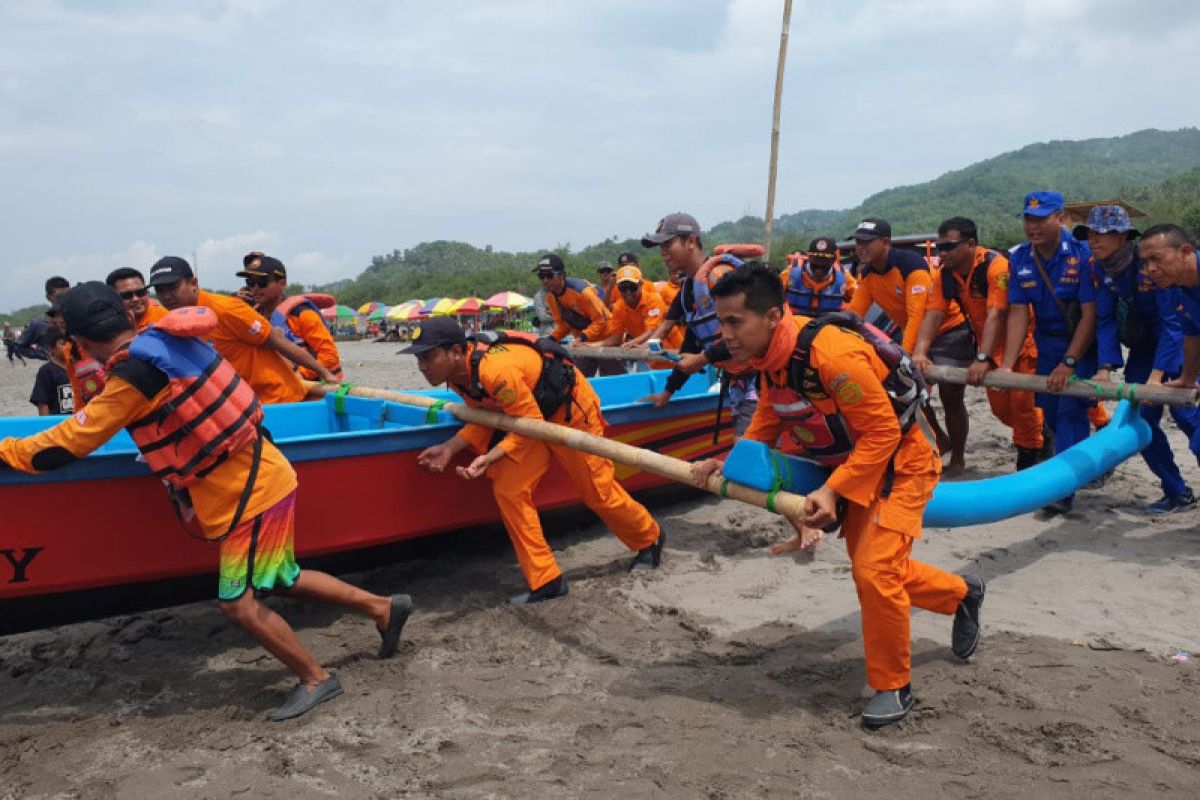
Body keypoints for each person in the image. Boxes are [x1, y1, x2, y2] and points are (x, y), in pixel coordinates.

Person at [0, 283, 412, 721]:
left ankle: (316, 678)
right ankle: (384, 608)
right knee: (281, 575)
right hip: (265, 472)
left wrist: (7, 450)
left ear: (79, 342)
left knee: (238, 603)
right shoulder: (162, 343)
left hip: (249, 493)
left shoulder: (135, 378)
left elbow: (63, 446)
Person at [689, 265, 982, 729]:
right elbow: (769, 419)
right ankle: (962, 593)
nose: (725, 335)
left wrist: (831, 489)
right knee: (879, 568)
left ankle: (893, 687)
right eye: (720, 322)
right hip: (849, 468)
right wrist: (726, 462)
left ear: (771, 316)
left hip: (901, 465)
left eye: (733, 322)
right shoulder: (770, 359)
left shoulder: (832, 354)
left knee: (873, 571)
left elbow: (884, 431)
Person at [407, 318, 664, 604]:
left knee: (598, 491)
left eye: (429, 357)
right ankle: (546, 579)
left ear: (455, 350)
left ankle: (649, 538)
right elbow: (486, 415)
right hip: (531, 417)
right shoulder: (458, 378)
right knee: (509, 490)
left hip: (570, 412)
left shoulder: (495, 370)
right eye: (419, 359)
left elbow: (528, 423)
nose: (422, 366)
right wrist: (449, 448)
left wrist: (490, 456)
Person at [1086, 207, 1197, 514]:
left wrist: (1157, 376)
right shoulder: (1101, 270)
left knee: (1190, 419)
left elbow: (1175, 325)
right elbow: (1105, 319)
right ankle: (1177, 492)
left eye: (1101, 234)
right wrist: (1105, 368)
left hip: (1175, 348)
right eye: (1090, 234)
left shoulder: (1155, 267)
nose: (1093, 241)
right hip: (1142, 351)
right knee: (1140, 425)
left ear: (1123, 237)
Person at [914, 218, 1045, 472]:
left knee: (1023, 408)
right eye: (939, 247)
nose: (942, 253)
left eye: (949, 246)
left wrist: (982, 358)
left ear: (971, 243)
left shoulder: (996, 268)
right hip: (990, 349)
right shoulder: (946, 275)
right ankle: (1042, 435)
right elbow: (932, 314)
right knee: (1001, 412)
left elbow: (997, 313)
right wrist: (919, 352)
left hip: (1022, 345)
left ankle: (1031, 462)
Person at [1000, 191, 1098, 515]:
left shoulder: (1083, 255)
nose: (1033, 225)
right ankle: (1075, 466)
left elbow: (1090, 315)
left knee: (1071, 411)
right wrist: (1007, 365)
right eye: (1029, 218)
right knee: (1052, 414)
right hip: (1046, 343)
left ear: (1061, 219)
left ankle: (1063, 491)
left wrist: (1070, 361)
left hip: (1080, 344)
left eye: (1042, 218)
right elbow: (1018, 312)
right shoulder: (1019, 258)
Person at [146, 256, 339, 403]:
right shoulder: (172, 321)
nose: (167, 296)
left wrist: (323, 373)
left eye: (172, 287)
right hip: (237, 404)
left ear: (193, 283)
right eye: (160, 290)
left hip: (273, 400)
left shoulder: (227, 310)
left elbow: (278, 341)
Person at [633, 212, 759, 435]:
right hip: (737, 383)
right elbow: (692, 343)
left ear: (691, 242)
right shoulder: (689, 291)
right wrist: (667, 392)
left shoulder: (720, 277)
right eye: (659, 247)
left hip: (761, 380)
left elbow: (749, 333)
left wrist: (703, 359)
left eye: (668, 244)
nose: (663, 253)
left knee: (750, 457)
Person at [237, 253, 343, 381]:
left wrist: (300, 375)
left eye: (262, 282)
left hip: (310, 389)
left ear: (282, 283)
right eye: (250, 282)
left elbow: (329, 356)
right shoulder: (255, 316)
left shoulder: (303, 315)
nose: (255, 288)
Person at [848, 219, 945, 354]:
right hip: (913, 334)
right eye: (858, 242)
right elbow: (853, 314)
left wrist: (904, 356)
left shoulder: (911, 266)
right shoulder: (867, 276)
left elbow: (917, 316)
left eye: (867, 242)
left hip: (947, 331)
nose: (860, 248)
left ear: (886, 242)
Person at [581, 265, 683, 369]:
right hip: (649, 358)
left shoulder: (654, 301)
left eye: (632, 287)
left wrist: (632, 343)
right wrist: (593, 345)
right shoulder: (618, 307)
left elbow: (651, 331)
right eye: (623, 288)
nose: (628, 292)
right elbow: (616, 338)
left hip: (674, 354)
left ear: (641, 284)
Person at [534, 253, 619, 377]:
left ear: (561, 275)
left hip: (607, 339)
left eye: (549, 275)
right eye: (541, 276)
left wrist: (582, 338)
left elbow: (601, 320)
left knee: (616, 382)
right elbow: (563, 327)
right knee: (575, 378)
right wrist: (549, 340)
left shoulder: (583, 293)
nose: (545, 280)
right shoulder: (551, 297)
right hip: (585, 344)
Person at [782, 237, 857, 317]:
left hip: (830, 325)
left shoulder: (844, 276)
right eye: (816, 259)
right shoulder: (790, 273)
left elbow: (858, 301)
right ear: (809, 258)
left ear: (833, 260)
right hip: (795, 323)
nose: (820, 264)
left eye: (825, 260)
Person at [106, 267, 168, 332]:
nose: (135, 299)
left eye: (140, 292)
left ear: (147, 292)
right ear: (112, 298)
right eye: (127, 295)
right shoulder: (108, 325)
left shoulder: (163, 318)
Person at [29, 331, 72, 415]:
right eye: (62, 344)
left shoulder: (79, 367)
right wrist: (46, 424)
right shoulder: (47, 371)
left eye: (69, 343)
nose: (67, 347)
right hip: (59, 423)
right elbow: (42, 403)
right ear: (52, 348)